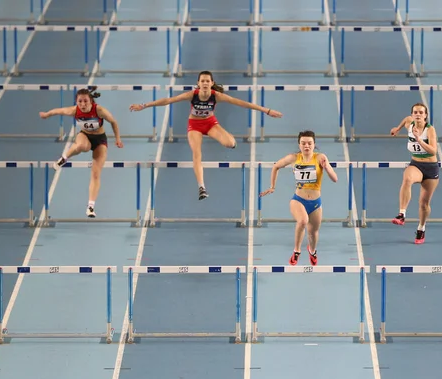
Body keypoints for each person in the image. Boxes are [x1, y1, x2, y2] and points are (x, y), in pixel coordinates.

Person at [129, 70, 283, 200]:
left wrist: (267, 110)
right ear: (198, 83)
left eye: (207, 81)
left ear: (211, 83)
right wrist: (144, 105)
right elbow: (168, 100)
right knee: (197, 153)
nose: (204, 83)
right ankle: (202, 187)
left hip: (210, 123)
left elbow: (242, 103)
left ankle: (227, 138)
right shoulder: (192, 94)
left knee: (230, 143)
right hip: (194, 126)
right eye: (202, 80)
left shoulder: (217, 96)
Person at [39, 86, 124, 218]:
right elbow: (58, 111)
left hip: (100, 140)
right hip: (84, 135)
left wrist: (118, 139)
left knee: (96, 173)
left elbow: (114, 122)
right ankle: (63, 158)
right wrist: (46, 114)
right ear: (76, 102)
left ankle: (90, 207)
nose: (83, 104)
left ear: (91, 101)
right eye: (80, 101)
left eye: (85, 101)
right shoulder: (75, 110)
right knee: (81, 146)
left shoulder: (99, 110)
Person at [260, 130, 338, 266]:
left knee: (313, 232)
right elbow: (276, 166)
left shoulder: (320, 158)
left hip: (315, 203)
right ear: (299, 144)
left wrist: (326, 168)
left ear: (314, 144)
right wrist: (272, 186)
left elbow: (335, 179)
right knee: (302, 221)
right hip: (298, 200)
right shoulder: (293, 158)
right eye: (303, 143)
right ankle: (296, 251)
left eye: (309, 143)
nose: (306, 146)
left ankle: (312, 251)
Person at [389, 102, 439, 244]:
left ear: (425, 115)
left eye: (421, 112)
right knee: (407, 178)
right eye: (415, 112)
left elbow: (433, 151)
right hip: (416, 164)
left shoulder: (430, 130)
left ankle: (421, 228)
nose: (418, 115)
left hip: (430, 167)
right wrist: (397, 129)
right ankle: (402, 214)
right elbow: (405, 119)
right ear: (413, 115)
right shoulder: (410, 123)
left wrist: (418, 139)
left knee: (423, 204)